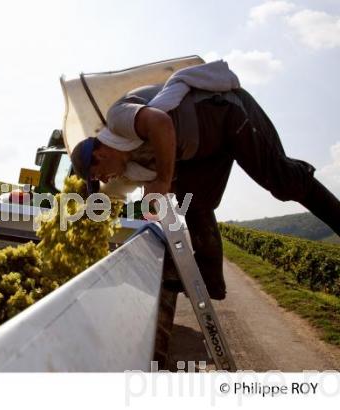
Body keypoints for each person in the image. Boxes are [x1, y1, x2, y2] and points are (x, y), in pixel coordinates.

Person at [69, 63, 340, 300]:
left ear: (99, 153)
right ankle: (210, 282)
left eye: (98, 175)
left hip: (227, 113)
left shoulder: (118, 120)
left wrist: (162, 180)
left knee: (283, 182)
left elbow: (161, 122)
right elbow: (172, 179)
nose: (106, 179)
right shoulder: (135, 164)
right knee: (195, 203)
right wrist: (161, 194)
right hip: (205, 149)